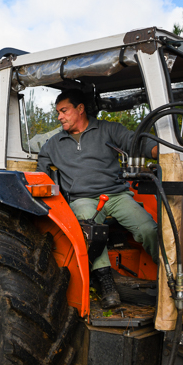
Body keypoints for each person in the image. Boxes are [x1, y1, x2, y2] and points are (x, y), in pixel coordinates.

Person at [38, 89, 159, 309]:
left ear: (80, 109)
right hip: (83, 199)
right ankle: (106, 285)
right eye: (57, 112)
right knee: (90, 224)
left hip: (116, 194)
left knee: (148, 229)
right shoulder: (53, 144)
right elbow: (40, 172)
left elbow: (133, 141)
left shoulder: (108, 130)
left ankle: (168, 273)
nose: (59, 117)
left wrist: (156, 149)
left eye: (63, 111)